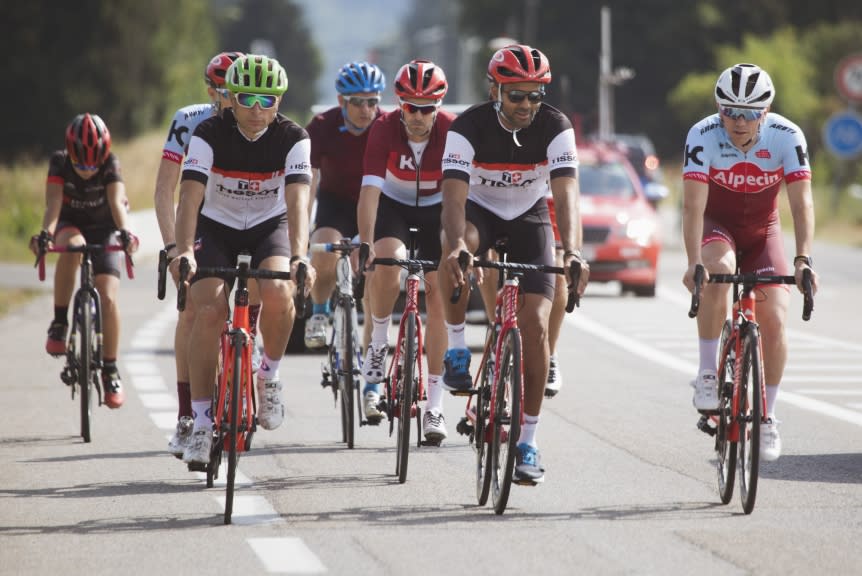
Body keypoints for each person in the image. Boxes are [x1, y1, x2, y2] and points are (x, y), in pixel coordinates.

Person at [438, 44, 589, 483]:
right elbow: (452, 197)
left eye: (535, 94)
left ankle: (528, 441)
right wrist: (455, 248)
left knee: (537, 326)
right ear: (495, 90)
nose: (527, 105)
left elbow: (566, 195)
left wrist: (574, 250)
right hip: (478, 214)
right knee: (456, 246)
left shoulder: (555, 126)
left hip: (530, 217)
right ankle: (457, 347)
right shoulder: (467, 126)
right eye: (516, 95)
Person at [170, 54, 315, 465]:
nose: (256, 108)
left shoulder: (294, 137)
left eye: (267, 100)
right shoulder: (208, 132)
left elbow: (298, 200)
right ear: (230, 98)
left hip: (269, 224)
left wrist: (301, 255)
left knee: (277, 289)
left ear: (279, 101)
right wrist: (183, 250)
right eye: (247, 98)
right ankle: (200, 422)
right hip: (216, 226)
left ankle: (268, 375)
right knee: (209, 308)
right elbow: (191, 196)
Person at [682, 63, 818, 462]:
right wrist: (693, 262)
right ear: (717, 106)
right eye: (730, 111)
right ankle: (708, 372)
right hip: (717, 225)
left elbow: (801, 202)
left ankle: (768, 416)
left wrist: (803, 258)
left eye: (750, 113)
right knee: (718, 268)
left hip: (763, 231)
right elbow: (692, 206)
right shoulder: (702, 134)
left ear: (767, 110)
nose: (739, 122)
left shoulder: (787, 136)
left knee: (774, 317)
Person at [153, 50, 246, 458]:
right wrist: (175, 248)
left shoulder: (254, 117)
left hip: (245, 221)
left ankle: (251, 350)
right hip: (200, 224)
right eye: (226, 91)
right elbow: (164, 190)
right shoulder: (189, 120)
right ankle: (188, 415)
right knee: (192, 312)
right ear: (211, 90)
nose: (235, 98)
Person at [357, 59, 455, 437]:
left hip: (436, 210)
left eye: (426, 108)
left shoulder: (450, 131)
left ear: (438, 106)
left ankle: (434, 406)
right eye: (410, 107)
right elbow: (369, 192)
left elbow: (459, 199)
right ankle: (379, 343)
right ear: (399, 104)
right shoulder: (383, 129)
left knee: (440, 294)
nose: (417, 115)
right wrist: (366, 242)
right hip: (393, 207)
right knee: (388, 262)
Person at [30, 113, 139, 408]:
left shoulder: (110, 162)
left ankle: (111, 369)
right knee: (74, 247)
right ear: (71, 155)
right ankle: (59, 322)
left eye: (94, 164)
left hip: (105, 228)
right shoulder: (59, 162)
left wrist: (126, 233)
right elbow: (53, 205)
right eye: (81, 165)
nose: (88, 170)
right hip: (70, 224)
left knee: (108, 297)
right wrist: (45, 235)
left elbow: (117, 203)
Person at [304, 61, 385, 349]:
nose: (366, 110)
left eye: (372, 102)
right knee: (324, 249)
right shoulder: (322, 127)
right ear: (341, 101)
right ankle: (319, 311)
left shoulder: (386, 126)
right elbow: (308, 183)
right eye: (357, 102)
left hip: (376, 205)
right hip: (335, 205)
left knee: (376, 278)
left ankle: (372, 363)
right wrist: (302, 231)